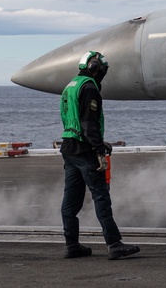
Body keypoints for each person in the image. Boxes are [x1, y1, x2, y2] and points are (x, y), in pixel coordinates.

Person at [59, 50, 140, 261]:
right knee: (101, 197)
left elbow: (73, 121)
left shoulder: (70, 86)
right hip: (85, 151)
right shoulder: (89, 88)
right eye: (102, 70)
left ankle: (71, 245)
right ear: (95, 69)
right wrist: (99, 149)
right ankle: (114, 244)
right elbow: (88, 123)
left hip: (69, 149)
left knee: (71, 201)